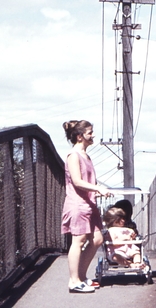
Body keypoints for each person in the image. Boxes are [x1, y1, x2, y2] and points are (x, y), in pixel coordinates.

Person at [61, 120, 112, 293]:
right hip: (78, 205)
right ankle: (73, 281)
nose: (93, 135)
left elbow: (87, 182)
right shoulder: (73, 155)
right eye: (90, 133)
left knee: (97, 239)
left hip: (90, 204)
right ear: (79, 136)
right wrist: (98, 188)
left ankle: (81, 277)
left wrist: (97, 192)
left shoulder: (86, 156)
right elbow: (77, 181)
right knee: (79, 241)